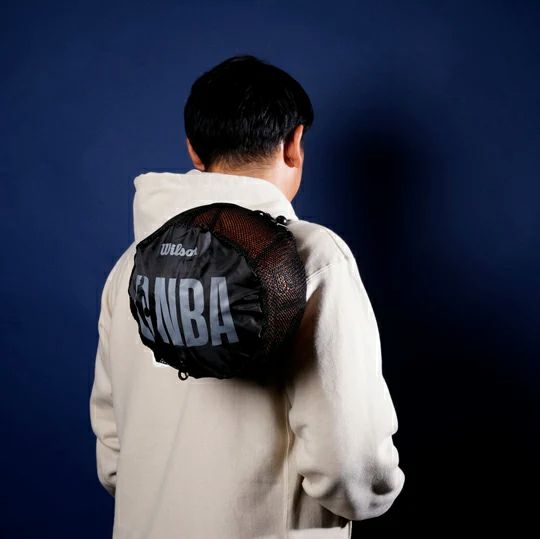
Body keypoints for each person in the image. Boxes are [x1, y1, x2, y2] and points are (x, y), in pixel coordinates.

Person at [89, 54, 405, 539]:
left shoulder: (131, 264)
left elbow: (113, 455)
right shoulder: (312, 258)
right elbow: (351, 467)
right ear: (294, 143)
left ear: (194, 150)